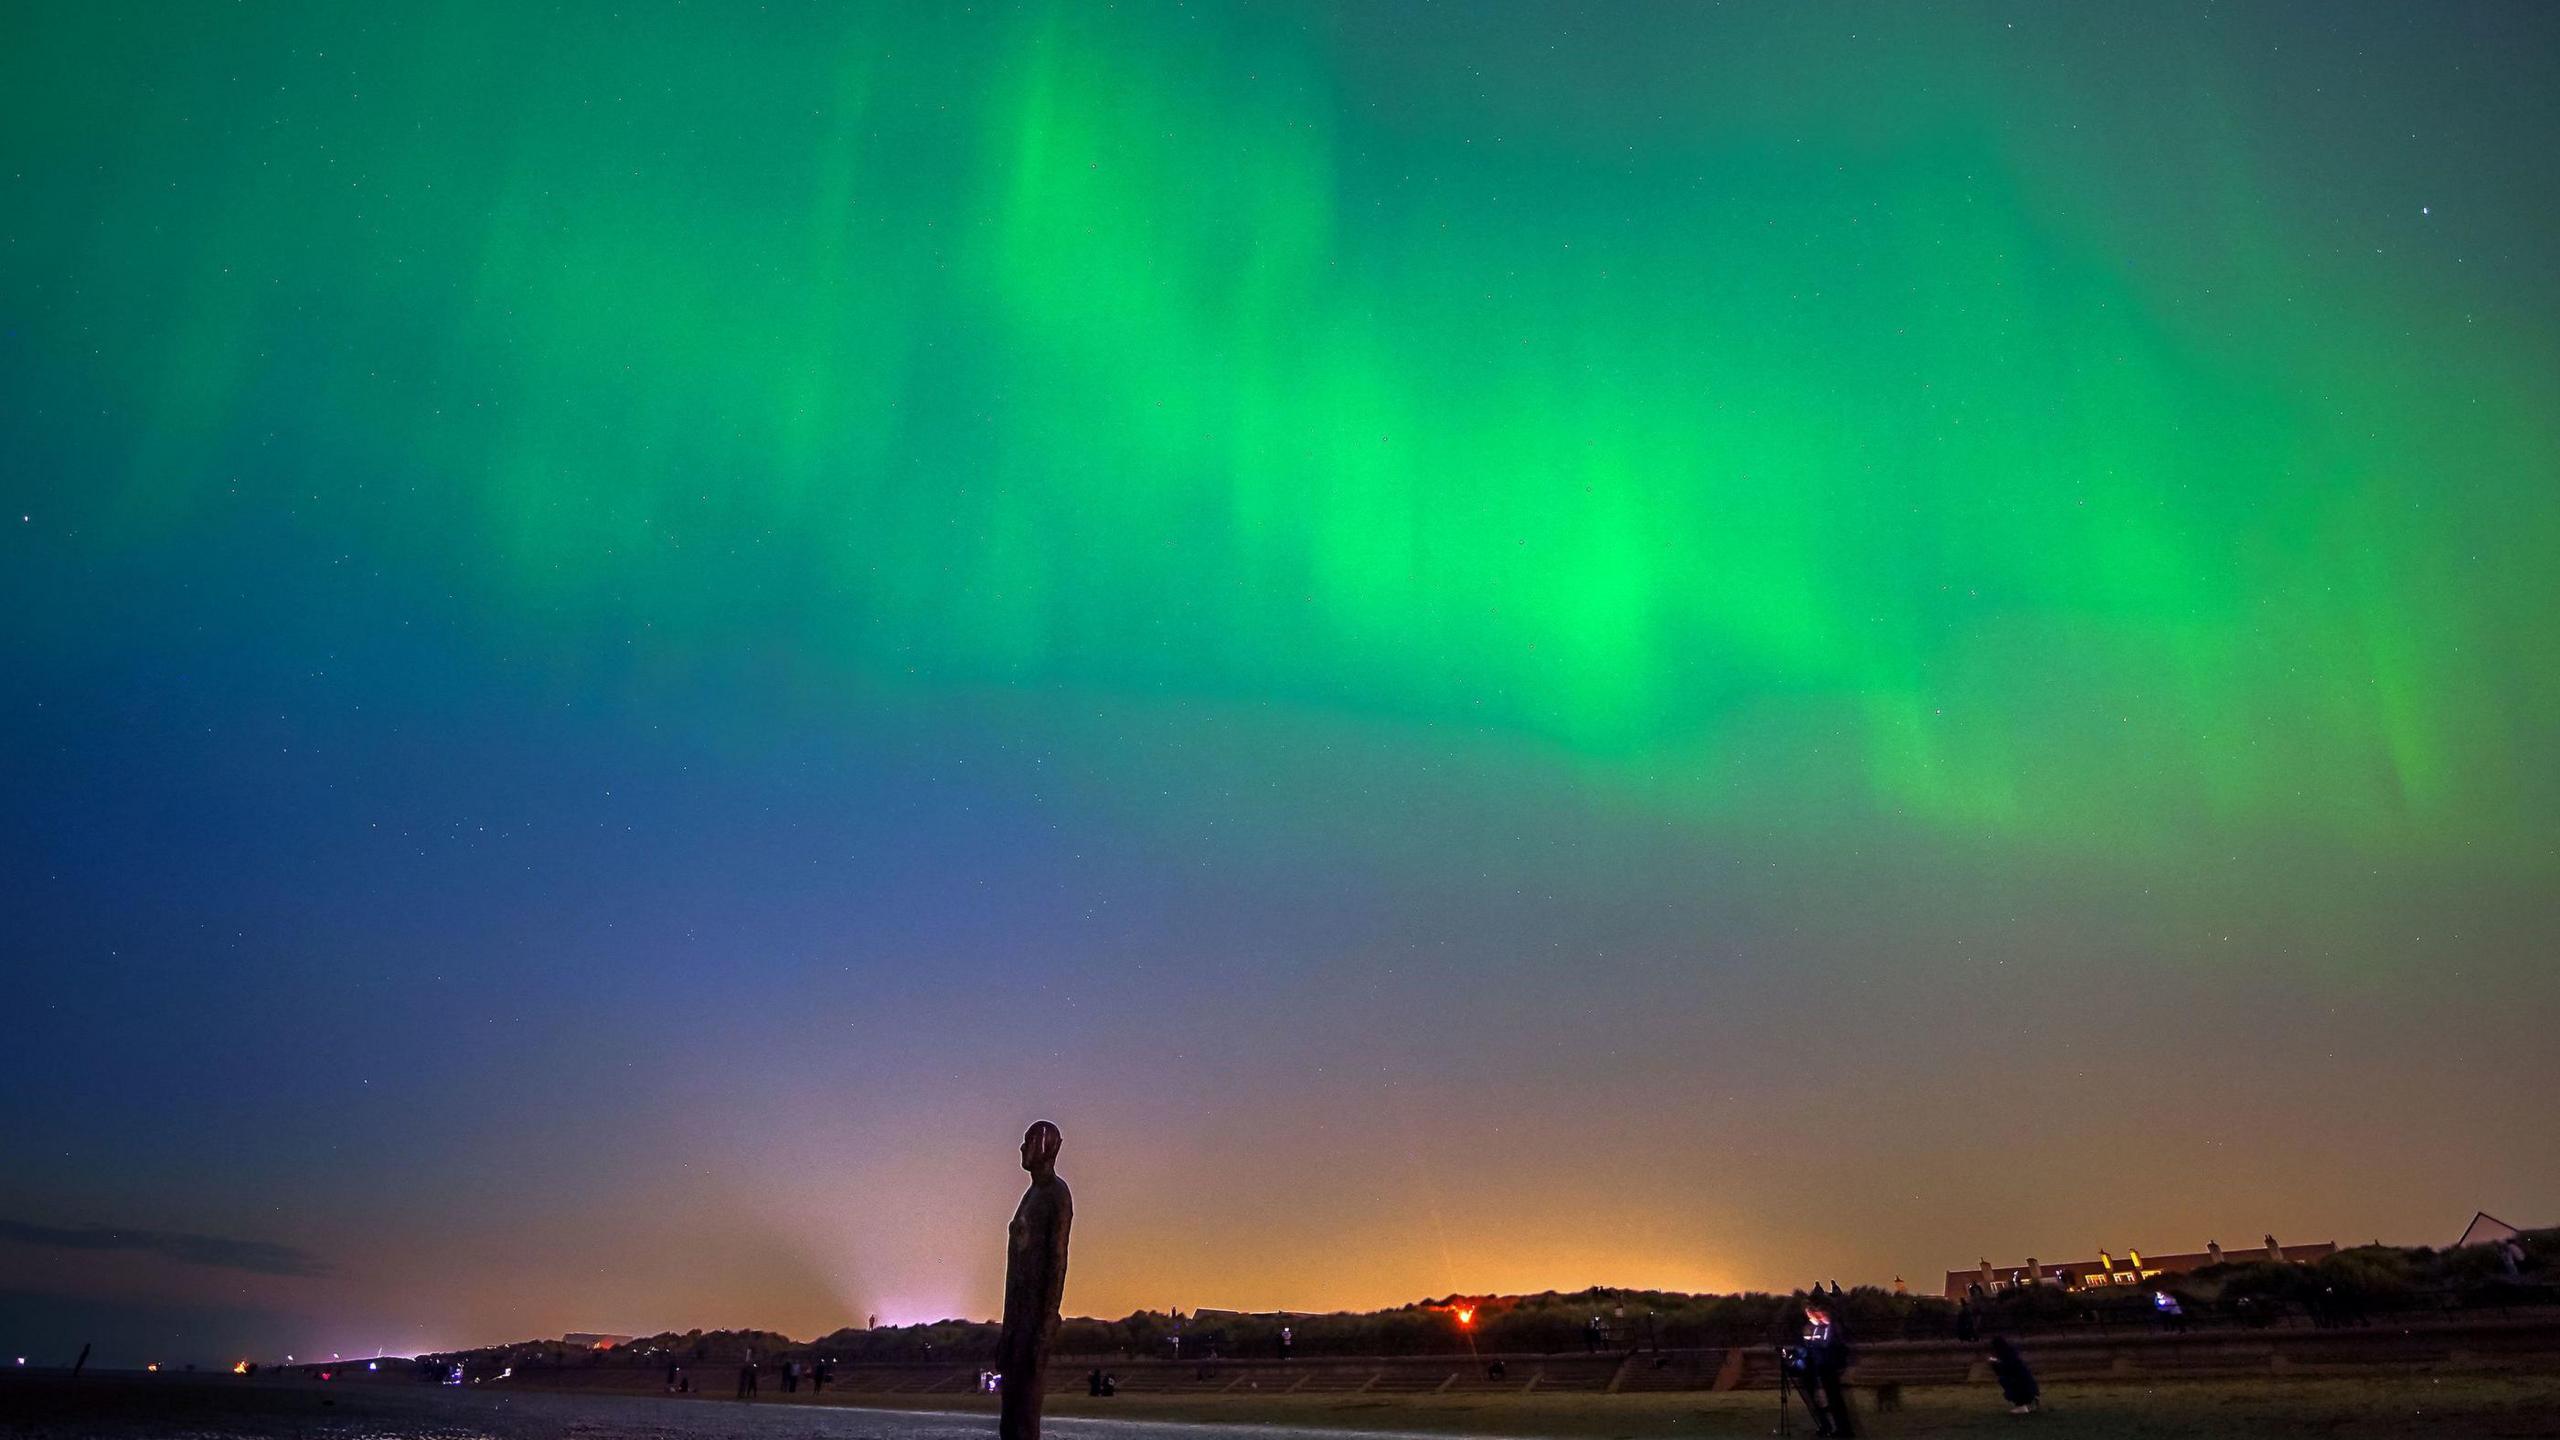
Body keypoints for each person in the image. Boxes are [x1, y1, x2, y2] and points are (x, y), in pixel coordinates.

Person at [1000, 1121, 1073, 1440]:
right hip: (1018, 1320)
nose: (1021, 1147)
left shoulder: (1057, 1194)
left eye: (1029, 1140)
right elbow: (1014, 1270)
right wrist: (1007, 1328)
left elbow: (1058, 1260)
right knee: (1009, 1418)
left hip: (1033, 1320)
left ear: (1047, 1148)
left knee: (1025, 1418)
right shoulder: (1031, 1195)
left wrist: (1044, 1327)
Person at [1987, 1336, 2039, 1414]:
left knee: (2006, 1381)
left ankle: (2022, 1404)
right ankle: (2027, 1403)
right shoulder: (2011, 1354)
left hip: (2022, 1385)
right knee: (2007, 1381)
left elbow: (2008, 1369)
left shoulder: (2009, 1356)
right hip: (2027, 1386)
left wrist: (1996, 1363)